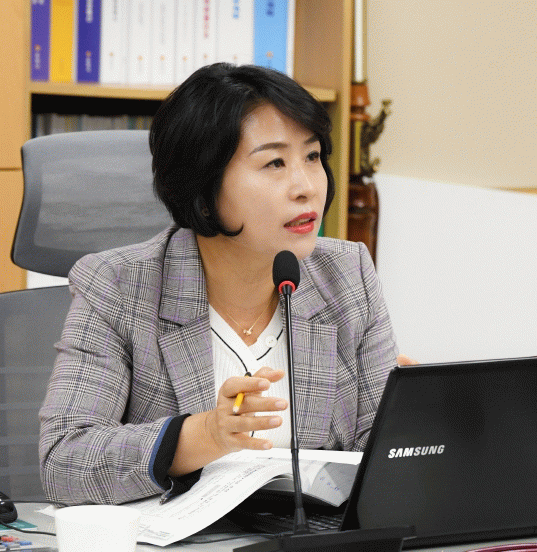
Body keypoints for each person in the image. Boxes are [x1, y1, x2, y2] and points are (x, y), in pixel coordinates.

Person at [39, 63, 402, 506]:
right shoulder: (118, 286)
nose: (307, 187)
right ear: (204, 187)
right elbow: (64, 462)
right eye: (274, 162)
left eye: (312, 157)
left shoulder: (346, 274)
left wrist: (414, 420)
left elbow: (379, 452)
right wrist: (206, 434)